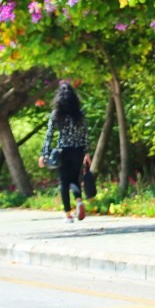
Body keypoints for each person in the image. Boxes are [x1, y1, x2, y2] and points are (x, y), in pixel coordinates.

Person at [40, 82, 90, 222]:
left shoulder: (57, 114)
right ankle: (79, 201)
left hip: (63, 152)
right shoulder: (80, 114)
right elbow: (85, 134)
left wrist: (44, 154)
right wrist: (86, 153)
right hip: (78, 151)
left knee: (64, 182)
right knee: (74, 179)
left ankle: (68, 214)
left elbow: (49, 135)